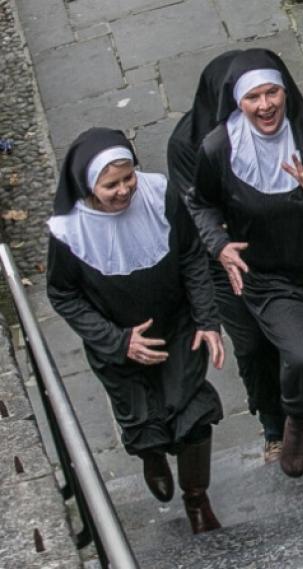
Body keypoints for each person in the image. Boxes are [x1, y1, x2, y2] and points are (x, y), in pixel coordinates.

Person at [188, 48, 303, 478]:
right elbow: (200, 204)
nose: (265, 105)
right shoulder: (218, 148)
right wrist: (219, 244)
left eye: (272, 93)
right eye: (253, 97)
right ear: (238, 102)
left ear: (286, 91)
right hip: (270, 279)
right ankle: (296, 417)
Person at [47, 128, 225, 534]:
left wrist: (207, 319)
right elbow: (62, 294)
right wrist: (119, 341)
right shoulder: (68, 231)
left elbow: (191, 255)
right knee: (143, 420)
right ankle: (152, 456)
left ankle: (197, 499)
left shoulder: (160, 194)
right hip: (117, 342)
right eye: (111, 185)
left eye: (128, 178)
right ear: (88, 186)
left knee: (193, 411)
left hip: (175, 326)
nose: (125, 190)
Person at [168, 51, 287, 464]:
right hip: (224, 262)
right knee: (252, 345)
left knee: (291, 336)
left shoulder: (280, 124)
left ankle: (300, 409)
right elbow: (196, 206)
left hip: (278, 248)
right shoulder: (187, 143)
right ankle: (273, 425)